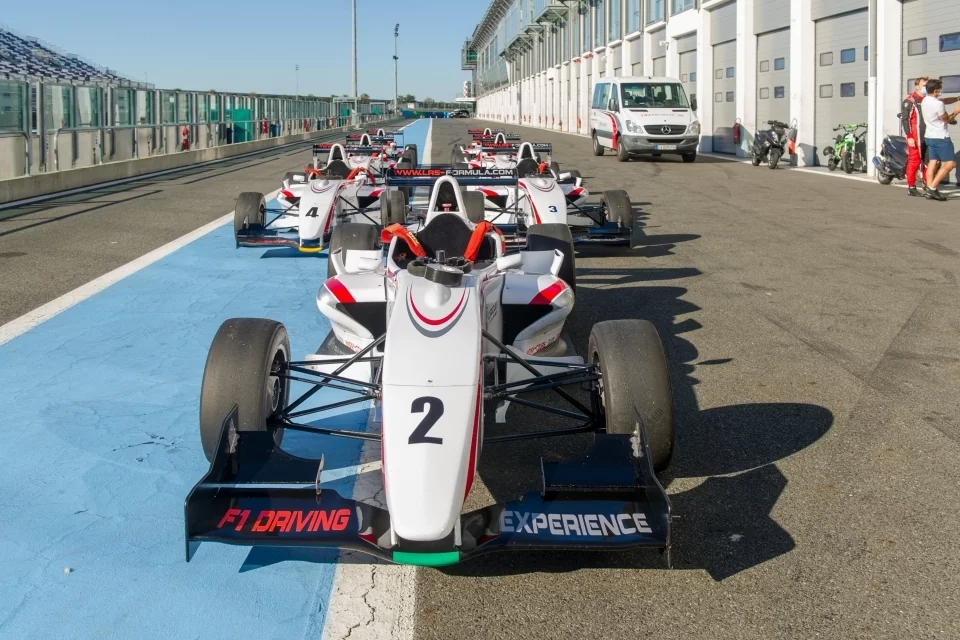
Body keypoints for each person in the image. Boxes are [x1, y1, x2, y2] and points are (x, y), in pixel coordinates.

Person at [922, 79, 960, 200]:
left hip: (930, 136)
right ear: (936, 90)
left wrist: (958, 98)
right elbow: (947, 119)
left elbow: (945, 100)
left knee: (933, 162)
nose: (941, 90)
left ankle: (929, 189)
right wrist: (956, 111)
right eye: (940, 89)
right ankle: (933, 188)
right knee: (950, 164)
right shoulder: (937, 104)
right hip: (941, 137)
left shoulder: (926, 100)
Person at [901, 76, 928, 197]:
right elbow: (905, 119)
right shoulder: (910, 101)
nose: (926, 88)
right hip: (915, 136)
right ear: (917, 86)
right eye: (924, 85)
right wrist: (909, 136)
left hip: (928, 135)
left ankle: (928, 184)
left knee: (928, 161)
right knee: (915, 161)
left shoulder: (928, 100)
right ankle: (911, 187)